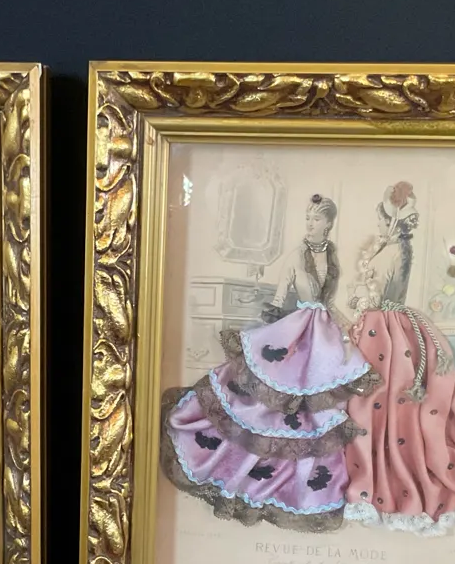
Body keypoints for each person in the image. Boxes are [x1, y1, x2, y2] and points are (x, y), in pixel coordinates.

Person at [160, 194, 376, 531]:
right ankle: (241, 467)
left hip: (324, 337)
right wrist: (271, 323)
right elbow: (281, 294)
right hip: (296, 330)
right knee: (270, 401)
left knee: (318, 408)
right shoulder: (296, 255)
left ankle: (303, 482)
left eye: (316, 219)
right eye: (307, 218)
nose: (310, 224)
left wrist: (346, 326)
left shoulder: (332, 255)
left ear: (329, 224)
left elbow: (327, 301)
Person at [343, 182, 455, 534]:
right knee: (369, 402)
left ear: (391, 218)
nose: (379, 221)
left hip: (384, 332)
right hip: (380, 327)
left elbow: (379, 295)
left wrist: (361, 306)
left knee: (382, 401)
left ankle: (389, 477)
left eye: (383, 216)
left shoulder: (395, 250)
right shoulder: (388, 247)